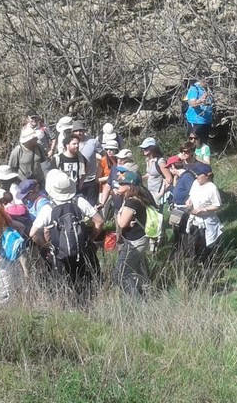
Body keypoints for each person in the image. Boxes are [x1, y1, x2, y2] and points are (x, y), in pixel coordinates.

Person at [30, 169, 104, 297]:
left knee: (65, 288)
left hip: (60, 256)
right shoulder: (79, 201)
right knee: (87, 287)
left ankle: (69, 309)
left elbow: (33, 233)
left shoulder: (48, 208)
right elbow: (99, 221)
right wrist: (89, 240)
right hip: (82, 253)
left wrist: (46, 246)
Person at [115, 172, 154, 297]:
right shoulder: (141, 198)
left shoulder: (131, 202)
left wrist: (120, 215)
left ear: (130, 186)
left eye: (122, 183)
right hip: (141, 239)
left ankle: (136, 302)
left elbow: (121, 223)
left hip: (134, 242)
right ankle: (146, 295)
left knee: (121, 273)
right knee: (139, 269)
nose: (119, 186)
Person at [185, 163, 223, 264]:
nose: (196, 176)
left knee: (206, 246)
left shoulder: (212, 188)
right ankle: (194, 263)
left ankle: (207, 265)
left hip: (207, 223)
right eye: (196, 174)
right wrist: (189, 201)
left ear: (207, 175)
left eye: (199, 174)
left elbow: (217, 205)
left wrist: (204, 209)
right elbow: (191, 196)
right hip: (194, 220)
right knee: (192, 244)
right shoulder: (195, 183)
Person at [71, 121, 102, 206]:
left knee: (92, 204)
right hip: (76, 180)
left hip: (91, 179)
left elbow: (104, 156)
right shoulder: (70, 144)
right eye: (76, 131)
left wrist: (100, 173)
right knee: (78, 204)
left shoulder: (93, 142)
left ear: (84, 131)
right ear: (72, 132)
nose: (79, 133)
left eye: (81, 130)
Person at [140, 137, 173, 209]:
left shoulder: (160, 161)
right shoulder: (147, 160)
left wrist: (160, 194)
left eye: (146, 148)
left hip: (159, 194)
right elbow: (149, 174)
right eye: (143, 148)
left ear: (152, 148)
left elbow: (169, 179)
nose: (144, 150)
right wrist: (140, 178)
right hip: (150, 192)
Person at [183, 75, 213, 143]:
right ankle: (191, 153)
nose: (208, 81)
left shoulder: (208, 88)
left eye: (210, 79)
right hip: (196, 121)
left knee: (203, 143)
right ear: (201, 79)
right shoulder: (194, 88)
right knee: (194, 142)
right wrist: (201, 100)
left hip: (206, 121)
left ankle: (203, 153)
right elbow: (192, 104)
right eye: (206, 80)